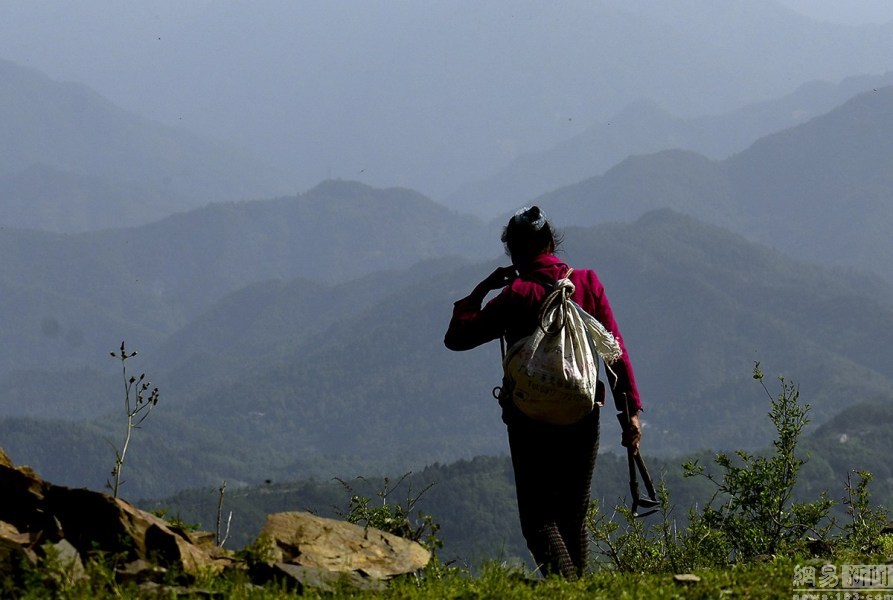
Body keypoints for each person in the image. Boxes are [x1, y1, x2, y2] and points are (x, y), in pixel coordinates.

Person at [443, 206, 643, 579]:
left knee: (539, 522)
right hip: (583, 417)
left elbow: (457, 338)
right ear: (552, 242)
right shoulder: (586, 283)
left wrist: (482, 289)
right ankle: (578, 590)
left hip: (529, 422)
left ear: (514, 253)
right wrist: (629, 413)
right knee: (572, 517)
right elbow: (615, 350)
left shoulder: (517, 294)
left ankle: (567, 590)